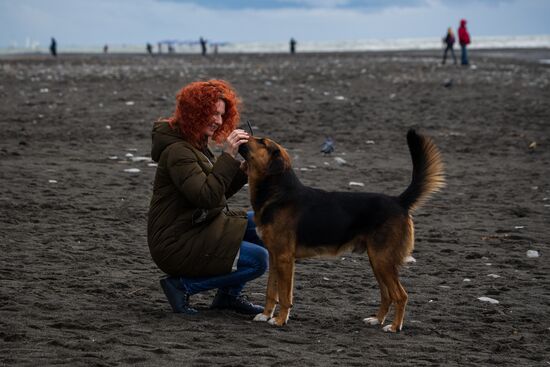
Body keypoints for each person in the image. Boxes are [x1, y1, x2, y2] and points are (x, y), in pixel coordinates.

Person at [148, 79, 268, 315]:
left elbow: (215, 192)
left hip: (199, 227)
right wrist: (229, 157)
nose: (218, 121)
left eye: (222, 115)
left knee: (267, 224)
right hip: (177, 242)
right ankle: (181, 286)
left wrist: (241, 173)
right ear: (194, 111)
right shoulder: (177, 151)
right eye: (212, 113)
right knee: (258, 260)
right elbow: (207, 197)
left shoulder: (194, 144)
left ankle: (228, 297)